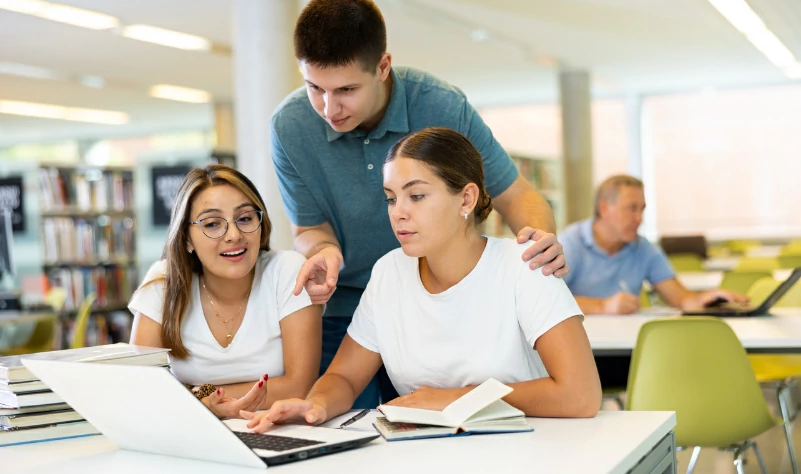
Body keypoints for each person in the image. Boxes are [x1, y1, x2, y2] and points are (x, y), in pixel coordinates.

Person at [272, 0, 569, 407]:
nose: (328, 107)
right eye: (314, 88)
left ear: (383, 66)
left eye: (346, 89)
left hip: (446, 298)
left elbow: (515, 193)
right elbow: (308, 227)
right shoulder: (289, 125)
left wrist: (538, 248)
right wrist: (323, 250)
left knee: (441, 408)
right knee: (346, 425)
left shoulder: (442, 105)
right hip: (350, 305)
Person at [242, 128, 601, 432]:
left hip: (533, 451)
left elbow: (580, 395)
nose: (398, 213)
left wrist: (453, 400)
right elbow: (345, 378)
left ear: (467, 198)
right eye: (390, 198)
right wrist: (314, 406)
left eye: (416, 196)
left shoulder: (526, 264)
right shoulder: (389, 272)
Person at [129, 165, 322, 418]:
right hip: (189, 429)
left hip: (275, 426)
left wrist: (199, 396)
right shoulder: (163, 282)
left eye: (245, 219)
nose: (234, 235)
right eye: (212, 224)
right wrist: (205, 403)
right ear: (186, 238)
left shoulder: (288, 271)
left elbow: (299, 386)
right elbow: (137, 385)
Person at [559, 174, 747, 388]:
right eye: (631, 208)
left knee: (678, 368)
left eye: (642, 209)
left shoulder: (643, 248)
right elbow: (546, 301)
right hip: (574, 355)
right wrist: (603, 306)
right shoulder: (569, 244)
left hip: (626, 351)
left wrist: (709, 296)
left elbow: (680, 298)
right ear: (604, 209)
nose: (639, 218)